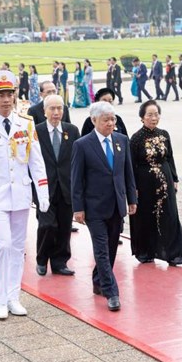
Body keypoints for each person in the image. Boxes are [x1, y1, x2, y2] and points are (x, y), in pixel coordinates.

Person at [0, 70, 49, 320]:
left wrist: (42, 190)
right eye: (1, 95)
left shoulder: (25, 123)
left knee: (17, 248)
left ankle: (14, 296)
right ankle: (0, 299)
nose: (6, 99)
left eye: (10, 94)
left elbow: (36, 161)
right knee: (2, 245)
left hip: (20, 194)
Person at [71, 101, 137, 312]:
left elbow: (127, 172)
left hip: (116, 204)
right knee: (101, 250)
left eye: (113, 119)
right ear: (94, 121)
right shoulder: (82, 145)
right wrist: (78, 207)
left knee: (110, 249)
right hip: (94, 207)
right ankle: (112, 292)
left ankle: (98, 280)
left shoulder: (121, 140)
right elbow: (76, 179)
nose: (111, 123)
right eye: (106, 119)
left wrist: (132, 199)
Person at [129, 100, 182, 265]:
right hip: (145, 185)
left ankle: (173, 253)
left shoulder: (164, 134)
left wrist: (175, 178)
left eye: (156, 114)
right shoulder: (135, 139)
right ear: (142, 117)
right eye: (149, 115)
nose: (153, 118)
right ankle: (146, 251)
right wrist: (133, 187)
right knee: (146, 216)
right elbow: (131, 165)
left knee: (169, 215)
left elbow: (170, 157)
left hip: (165, 183)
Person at [34, 94, 80, 276]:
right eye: (52, 109)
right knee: (47, 225)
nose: (56, 112)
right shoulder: (36, 131)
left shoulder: (72, 131)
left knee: (64, 226)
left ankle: (60, 262)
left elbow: (77, 160)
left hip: (66, 188)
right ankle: (42, 258)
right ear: (44, 111)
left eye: (59, 108)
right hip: (44, 188)